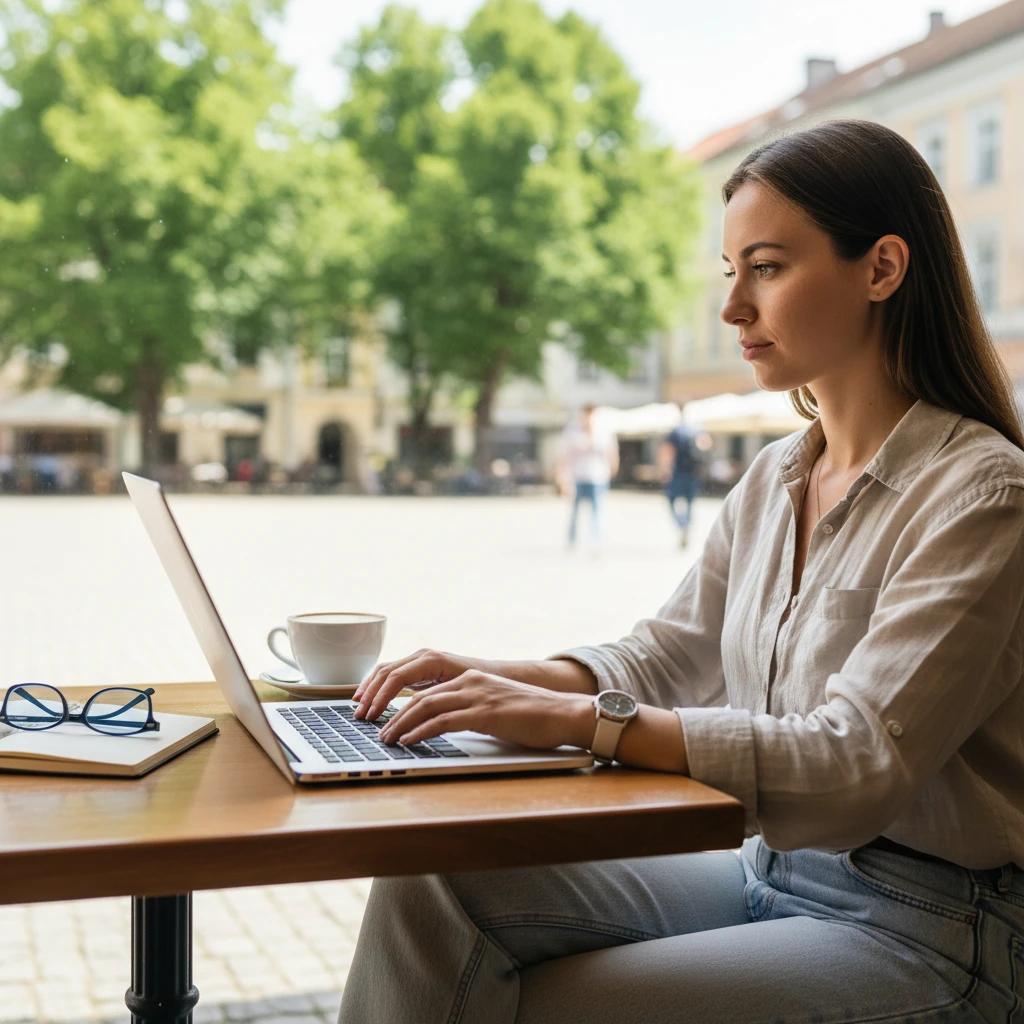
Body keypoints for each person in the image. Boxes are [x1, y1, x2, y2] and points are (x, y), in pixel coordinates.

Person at [339, 120, 1024, 1024]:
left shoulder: (983, 495)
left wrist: (580, 721)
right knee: (433, 880)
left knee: (544, 1006)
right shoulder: (777, 476)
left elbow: (855, 765)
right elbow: (665, 659)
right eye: (731, 272)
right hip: (768, 873)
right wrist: (486, 678)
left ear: (882, 268)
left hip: (936, 930)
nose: (734, 307)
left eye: (768, 268)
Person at [557, 404, 619, 550]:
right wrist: (562, 476)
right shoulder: (573, 431)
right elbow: (565, 455)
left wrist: (612, 470)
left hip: (598, 478)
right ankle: (572, 541)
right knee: (574, 512)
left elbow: (612, 453)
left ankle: (596, 541)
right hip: (578, 477)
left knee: (597, 511)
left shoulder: (603, 431)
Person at [658, 412, 709, 546]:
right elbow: (707, 446)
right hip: (693, 473)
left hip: (677, 473)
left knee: (672, 502)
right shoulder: (697, 431)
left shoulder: (674, 433)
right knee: (690, 504)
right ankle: (687, 525)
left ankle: (681, 525)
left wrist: (664, 471)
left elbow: (667, 452)